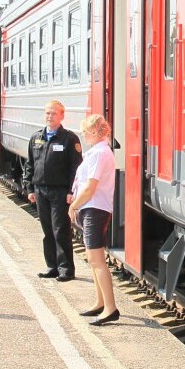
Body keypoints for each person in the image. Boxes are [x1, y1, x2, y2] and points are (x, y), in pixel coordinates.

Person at [22, 101, 82, 281]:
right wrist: (29, 188)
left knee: (60, 230)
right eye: (47, 113)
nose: (50, 116)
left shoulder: (69, 139)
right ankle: (52, 267)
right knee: (47, 231)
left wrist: (71, 191)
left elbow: (75, 167)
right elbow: (30, 164)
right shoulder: (36, 137)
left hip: (60, 192)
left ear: (62, 116)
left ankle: (66, 269)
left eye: (54, 113)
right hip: (40, 191)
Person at [69, 114, 118, 325]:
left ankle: (110, 308)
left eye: (86, 132)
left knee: (96, 260)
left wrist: (74, 205)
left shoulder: (100, 153)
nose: (83, 135)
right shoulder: (98, 152)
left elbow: (90, 187)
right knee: (93, 260)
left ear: (96, 132)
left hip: (95, 209)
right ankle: (100, 302)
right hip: (93, 208)